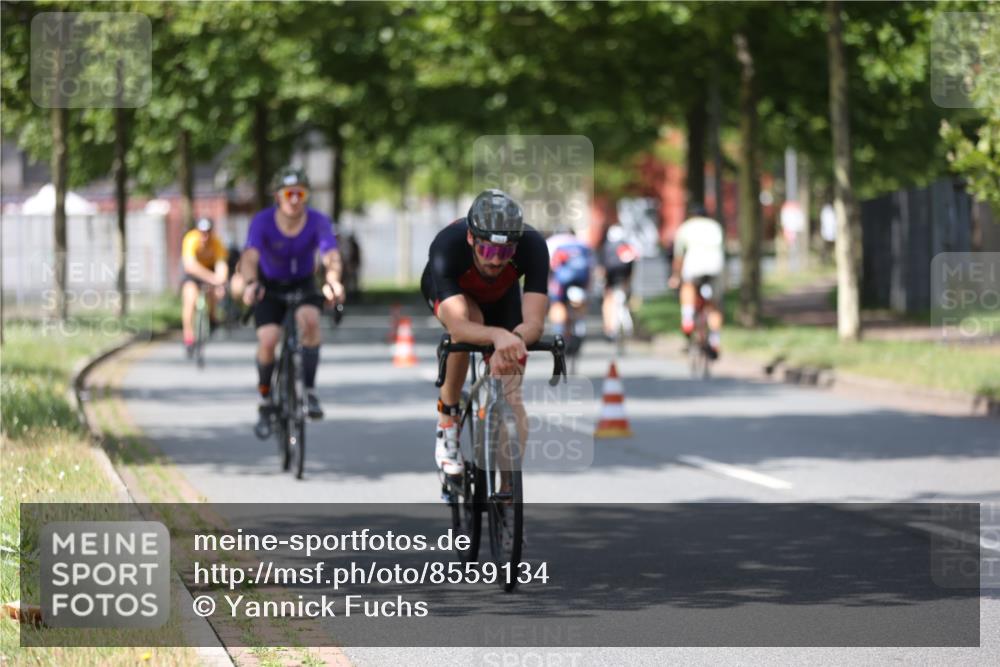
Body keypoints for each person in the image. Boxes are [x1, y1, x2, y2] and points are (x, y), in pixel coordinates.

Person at [419, 189, 549, 481]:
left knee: (512, 394)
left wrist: (513, 339)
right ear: (471, 239)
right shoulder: (448, 245)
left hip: (503, 298)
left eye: (505, 253)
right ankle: (448, 421)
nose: (495, 261)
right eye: (487, 250)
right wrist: (496, 336)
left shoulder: (534, 246)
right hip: (455, 296)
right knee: (467, 329)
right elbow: (459, 325)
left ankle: (506, 491)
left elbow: (534, 322)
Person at [240, 167, 344, 437]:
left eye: (300, 193)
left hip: (303, 284)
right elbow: (250, 257)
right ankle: (265, 399)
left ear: (306, 196)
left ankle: (308, 391)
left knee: (309, 322)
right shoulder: (262, 221)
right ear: (278, 196)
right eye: (289, 193)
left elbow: (330, 255)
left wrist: (333, 281)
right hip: (269, 285)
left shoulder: (318, 221)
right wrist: (251, 284)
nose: (295, 199)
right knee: (268, 339)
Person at [668, 203, 725, 359]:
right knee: (714, 305)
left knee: (688, 286)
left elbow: (679, 256)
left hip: (695, 264)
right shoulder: (715, 226)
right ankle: (715, 340)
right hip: (715, 266)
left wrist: (675, 276)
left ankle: (687, 317)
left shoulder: (685, 227)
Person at [180, 217, 228, 356]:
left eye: (207, 232)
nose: (204, 236)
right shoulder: (190, 239)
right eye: (201, 232)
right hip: (194, 274)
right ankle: (188, 337)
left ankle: (212, 317)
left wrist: (220, 281)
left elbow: (221, 266)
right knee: (190, 300)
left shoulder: (217, 242)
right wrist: (213, 279)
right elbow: (190, 266)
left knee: (215, 294)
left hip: (210, 271)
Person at [546, 228, 593, 353]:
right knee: (580, 304)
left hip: (562, 279)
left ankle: (558, 333)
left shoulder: (552, 242)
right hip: (581, 278)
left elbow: (547, 265)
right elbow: (591, 266)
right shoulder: (582, 243)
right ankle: (580, 329)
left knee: (557, 303)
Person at [598, 223, 638, 339]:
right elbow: (632, 265)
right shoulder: (627, 246)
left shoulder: (607, 246)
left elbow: (603, 267)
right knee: (624, 300)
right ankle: (627, 327)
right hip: (624, 277)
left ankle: (609, 328)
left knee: (608, 300)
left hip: (611, 277)